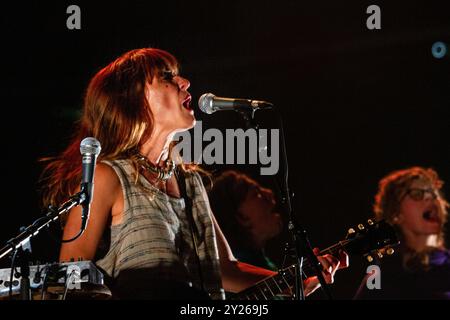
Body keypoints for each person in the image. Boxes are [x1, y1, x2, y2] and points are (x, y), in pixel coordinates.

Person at [40, 48, 345, 300]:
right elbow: (70, 277)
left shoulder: (190, 182)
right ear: (132, 98)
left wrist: (300, 277)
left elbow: (226, 270)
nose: (185, 82)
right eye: (167, 77)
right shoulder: (107, 176)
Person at [355, 167, 450, 299]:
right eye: (417, 194)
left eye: (433, 194)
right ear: (396, 213)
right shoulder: (381, 275)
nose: (430, 198)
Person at [208, 170, 283, 271]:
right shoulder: (240, 271)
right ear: (240, 217)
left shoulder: (262, 261)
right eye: (256, 194)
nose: (269, 193)